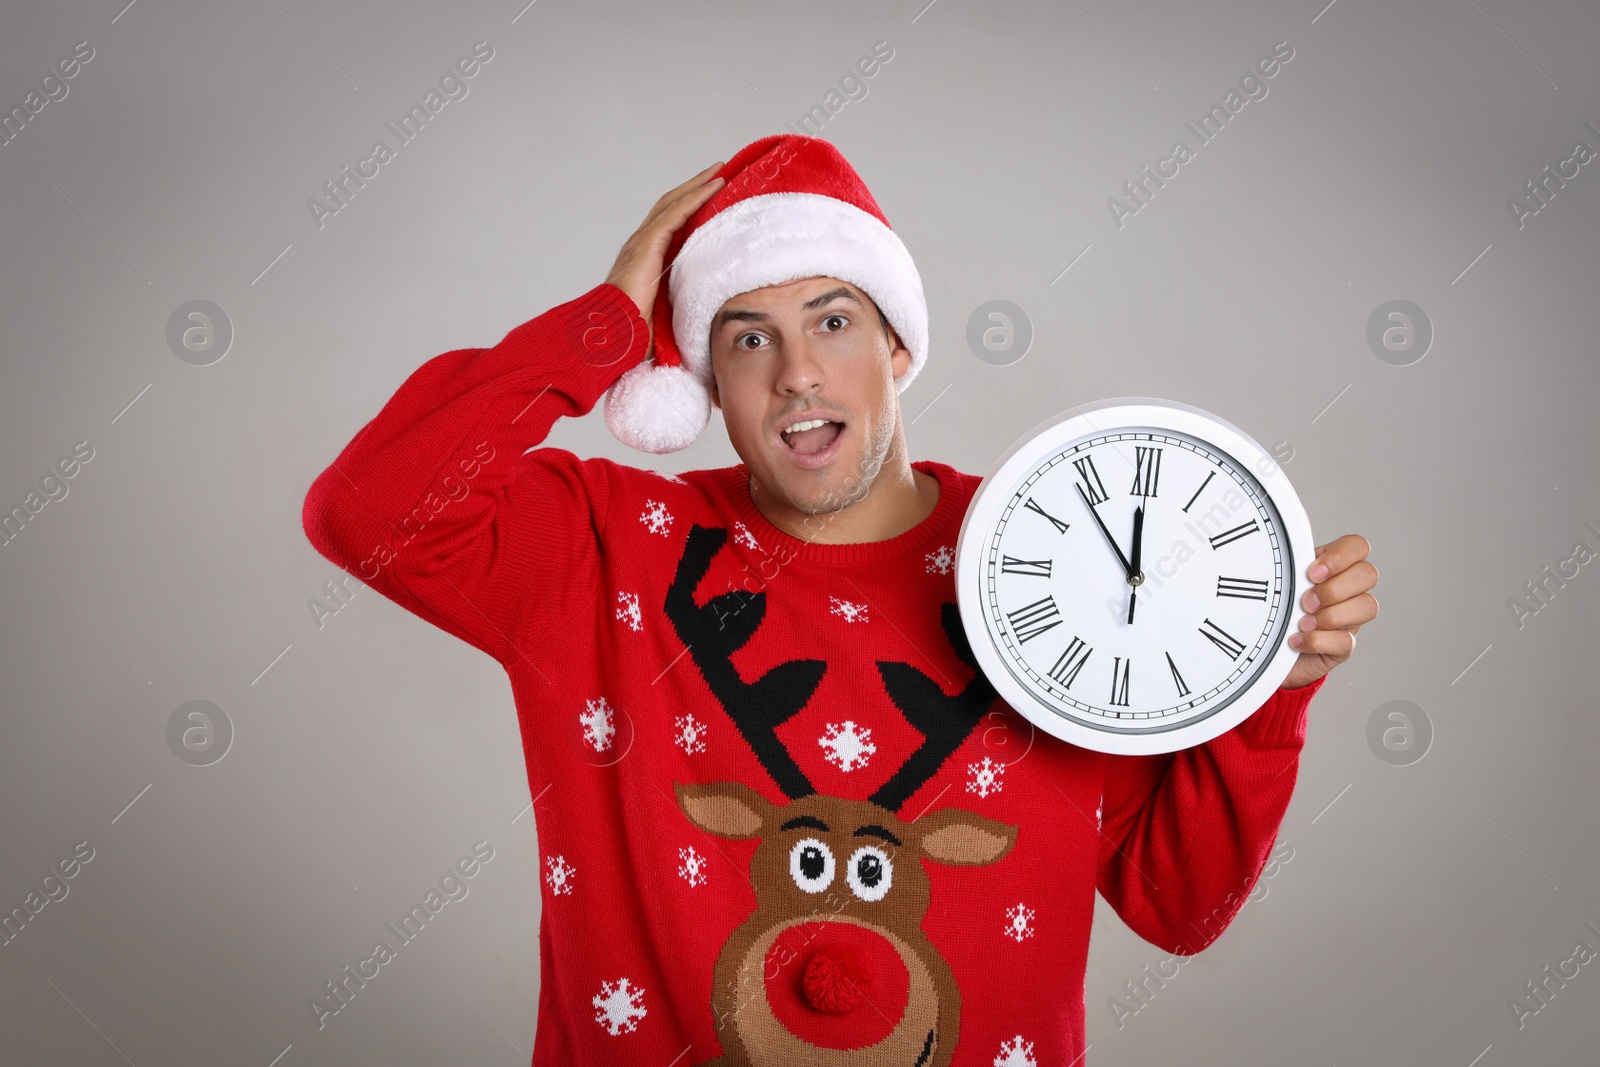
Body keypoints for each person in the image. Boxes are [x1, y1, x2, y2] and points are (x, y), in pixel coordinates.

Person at [301, 134, 1378, 1067]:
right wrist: (603, 327)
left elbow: (1178, 904)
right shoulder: (603, 551)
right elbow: (366, 507)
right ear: (706, 382)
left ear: (898, 346)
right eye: (747, 337)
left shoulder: (1050, 559)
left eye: (831, 322)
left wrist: (1266, 695)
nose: (797, 376)